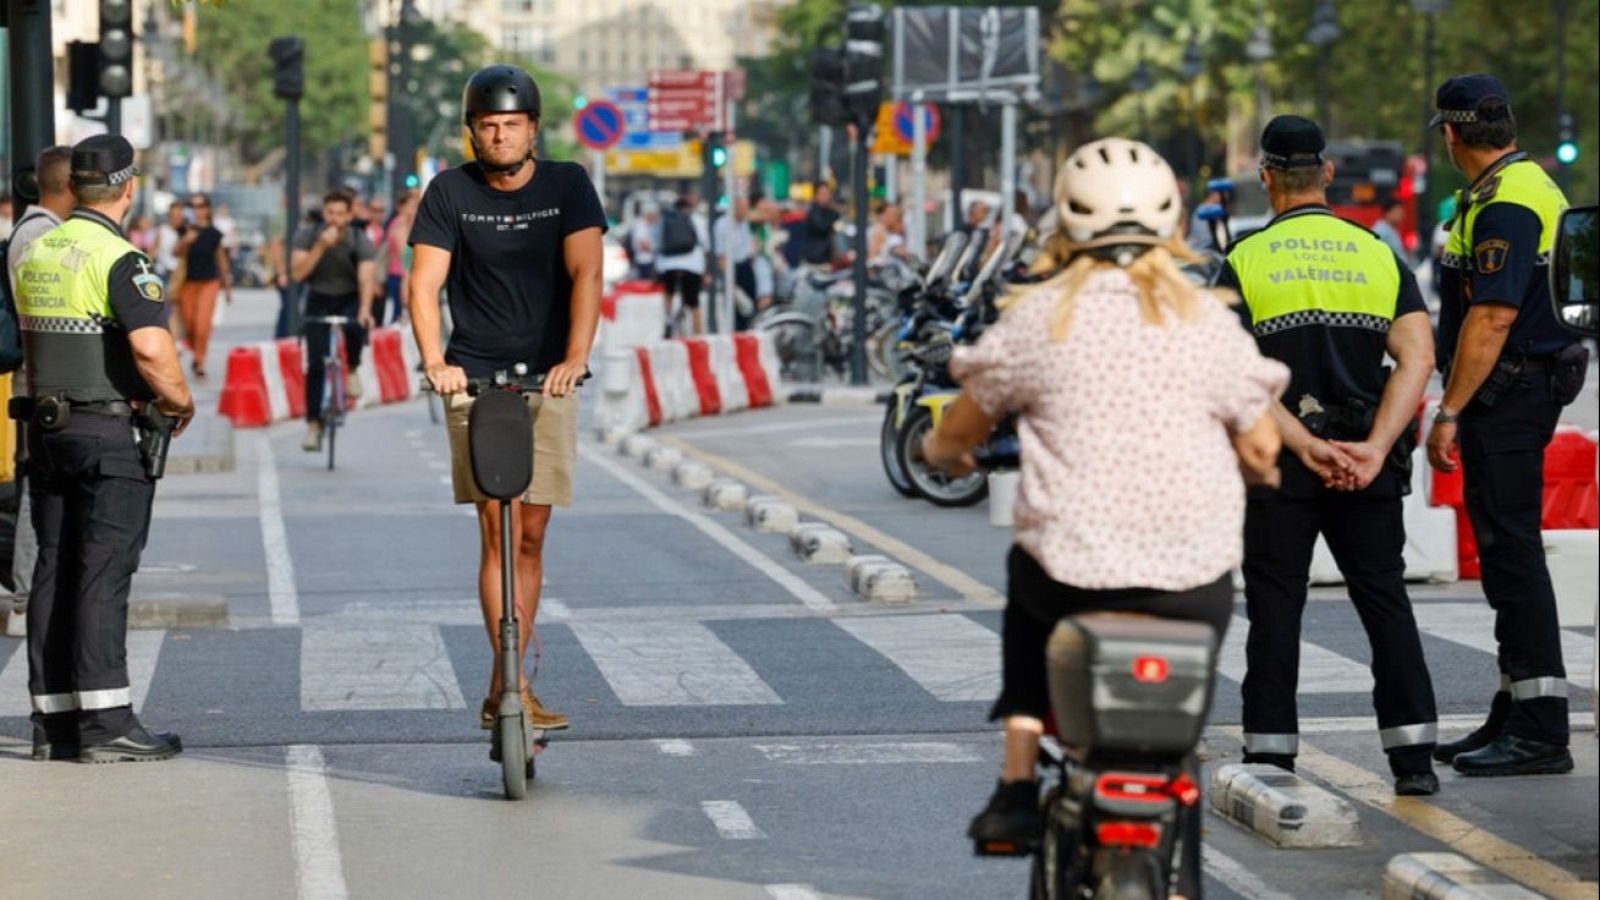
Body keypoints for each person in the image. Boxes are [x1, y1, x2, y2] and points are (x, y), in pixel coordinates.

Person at [922, 139, 1288, 897]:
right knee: (1183, 709)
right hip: (1193, 580)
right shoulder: (1207, 323)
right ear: (1173, 222)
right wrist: (1257, 471)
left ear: (1065, 223)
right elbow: (1260, 444)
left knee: (1026, 586)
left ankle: (1019, 785)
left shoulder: (1040, 321)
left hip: (1071, 578)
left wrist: (947, 455)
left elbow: (957, 432)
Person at [1215, 115, 1442, 796]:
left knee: (1276, 604)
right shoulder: (1377, 254)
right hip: (1366, 465)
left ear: (1267, 178)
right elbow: (1417, 356)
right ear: (1328, 176)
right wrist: (1372, 446)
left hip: (1281, 464)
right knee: (1384, 602)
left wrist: (1305, 444)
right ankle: (1413, 760)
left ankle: (1271, 756)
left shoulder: (1245, 261)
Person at [407, 64, 605, 733]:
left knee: (533, 534)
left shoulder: (568, 184)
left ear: (532, 129)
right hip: (476, 378)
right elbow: (424, 286)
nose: (499, 136)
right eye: (488, 126)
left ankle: (501, 685)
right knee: (497, 526)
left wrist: (576, 357)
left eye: (511, 125)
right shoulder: (448, 192)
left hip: (549, 376)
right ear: (472, 131)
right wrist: (436, 362)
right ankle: (514, 680)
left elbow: (587, 273)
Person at [11, 134, 195, 763]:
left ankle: (53, 722)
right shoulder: (120, 259)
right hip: (106, 432)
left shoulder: (38, 250)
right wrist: (179, 402)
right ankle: (106, 720)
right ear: (126, 187)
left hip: (46, 429)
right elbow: (150, 349)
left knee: (54, 568)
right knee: (102, 571)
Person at [1424, 74, 1585, 777]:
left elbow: (1491, 317)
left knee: (1512, 558)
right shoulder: (1519, 186)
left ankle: (1542, 728)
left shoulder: (1508, 203)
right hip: (1520, 390)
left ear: (1451, 135)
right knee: (1504, 557)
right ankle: (1517, 706)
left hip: (1509, 395)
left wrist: (1449, 409)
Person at [4, 146, 76, 638]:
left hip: (44, 378)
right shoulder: (38, 235)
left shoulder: (43, 231)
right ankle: (25, 598)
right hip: (40, 379)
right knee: (40, 488)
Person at [291, 190, 379, 451]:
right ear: (323, 212)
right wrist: (320, 246)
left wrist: (365, 309)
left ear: (350, 215)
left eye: (341, 214)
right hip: (319, 296)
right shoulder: (307, 235)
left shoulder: (359, 239)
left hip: (349, 296)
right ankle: (314, 425)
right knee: (315, 364)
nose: (335, 219)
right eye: (330, 213)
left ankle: (352, 366)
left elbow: (366, 278)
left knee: (354, 326)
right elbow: (298, 273)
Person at [173, 192, 230, 377]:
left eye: (201, 206)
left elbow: (221, 260)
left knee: (202, 323)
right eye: (193, 206)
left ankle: (200, 360)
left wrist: (226, 287)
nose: (197, 210)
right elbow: (175, 252)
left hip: (209, 282)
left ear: (208, 209)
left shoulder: (215, 234)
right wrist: (186, 239)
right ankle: (195, 348)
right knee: (189, 324)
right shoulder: (185, 230)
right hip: (188, 282)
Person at [657, 195, 708, 336]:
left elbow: (658, 242)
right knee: (694, 304)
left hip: (669, 265)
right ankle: (697, 335)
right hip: (693, 266)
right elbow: (705, 246)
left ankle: (668, 319)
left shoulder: (667, 219)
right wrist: (705, 271)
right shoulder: (698, 220)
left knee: (669, 293)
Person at [714, 195, 758, 329]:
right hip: (731, 268)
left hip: (746, 266)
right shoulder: (722, 225)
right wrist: (730, 281)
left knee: (749, 305)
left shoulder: (745, 223)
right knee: (734, 309)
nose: (745, 212)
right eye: (742, 209)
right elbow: (720, 255)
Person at [379, 191, 417, 325]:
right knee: (398, 316)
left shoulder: (403, 224)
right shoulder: (400, 226)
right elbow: (405, 256)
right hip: (400, 275)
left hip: (401, 275)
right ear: (401, 207)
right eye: (411, 206)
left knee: (399, 315)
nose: (414, 209)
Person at [798, 182, 840, 266]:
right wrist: (835, 215)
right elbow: (821, 226)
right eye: (823, 194)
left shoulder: (829, 211)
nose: (827, 197)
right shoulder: (813, 211)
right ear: (815, 195)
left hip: (827, 258)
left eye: (828, 193)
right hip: (814, 260)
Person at [629, 203, 660, 280]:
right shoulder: (641, 226)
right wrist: (656, 247)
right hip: (644, 261)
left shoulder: (652, 226)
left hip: (651, 260)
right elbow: (643, 245)